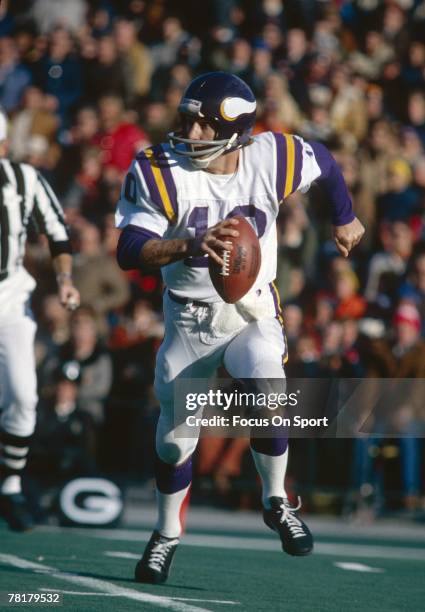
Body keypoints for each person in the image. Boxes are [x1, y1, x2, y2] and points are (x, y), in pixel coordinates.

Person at [115, 72, 364, 584]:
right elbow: (128, 250)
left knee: (268, 384)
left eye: (203, 125)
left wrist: (345, 218)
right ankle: (165, 534)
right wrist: (189, 243)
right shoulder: (160, 168)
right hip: (189, 319)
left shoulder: (270, 156)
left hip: (251, 310)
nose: (191, 131)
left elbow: (326, 163)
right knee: (174, 444)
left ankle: (276, 499)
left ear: (234, 131)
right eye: (188, 120)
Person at [0, 109, 80, 531]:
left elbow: (57, 229)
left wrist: (65, 278)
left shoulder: (24, 179)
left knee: (23, 397)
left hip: (10, 300)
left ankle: (10, 486)